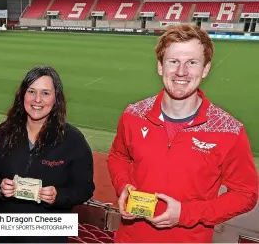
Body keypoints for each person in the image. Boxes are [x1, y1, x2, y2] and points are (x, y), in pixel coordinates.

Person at [107, 24, 258, 242]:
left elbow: (246, 194)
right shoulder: (133, 114)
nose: (181, 71)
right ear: (160, 66)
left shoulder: (229, 130)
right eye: (173, 61)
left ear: (205, 69)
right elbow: (118, 157)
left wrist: (186, 214)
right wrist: (123, 186)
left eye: (192, 63)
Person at [0, 66, 95, 243]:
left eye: (45, 93)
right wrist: (0, 187)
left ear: (56, 98)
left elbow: (85, 189)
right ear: (22, 95)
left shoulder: (73, 139)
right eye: (31, 91)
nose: (37, 100)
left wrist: (59, 196)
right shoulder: (4, 132)